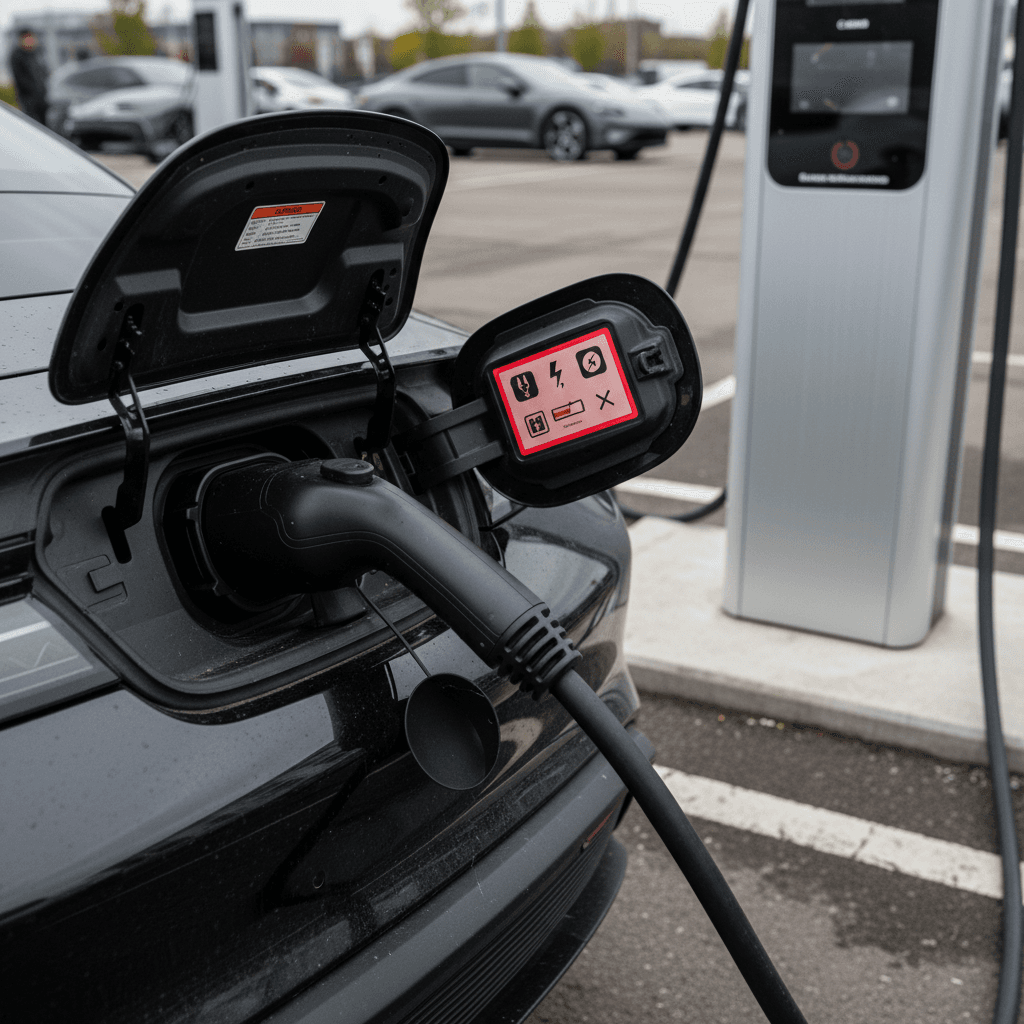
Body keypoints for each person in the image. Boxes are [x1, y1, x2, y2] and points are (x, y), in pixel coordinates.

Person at [10, 29, 48, 124]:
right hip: (28, 98)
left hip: (42, 97)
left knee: (45, 124)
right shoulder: (17, 56)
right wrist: (35, 90)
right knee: (34, 123)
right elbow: (20, 79)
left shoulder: (35, 53)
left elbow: (43, 73)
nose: (32, 40)